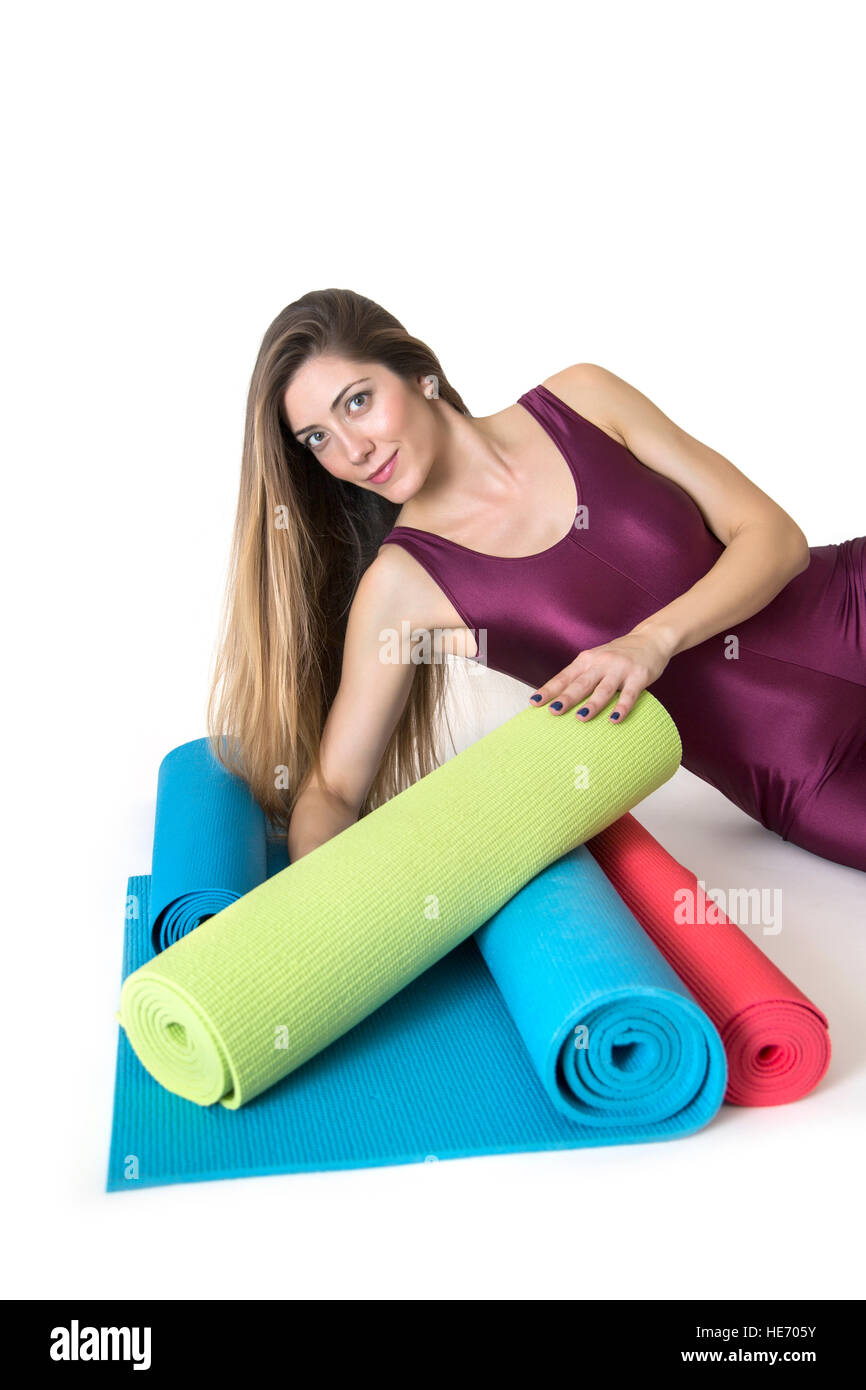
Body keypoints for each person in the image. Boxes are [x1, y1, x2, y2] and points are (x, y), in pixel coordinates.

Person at [207, 288, 866, 872]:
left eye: (359, 402)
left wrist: (652, 641)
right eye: (319, 438)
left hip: (850, 601)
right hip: (808, 774)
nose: (353, 450)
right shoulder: (401, 587)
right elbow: (334, 790)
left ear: (420, 376)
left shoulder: (581, 398)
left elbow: (775, 539)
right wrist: (320, 897)